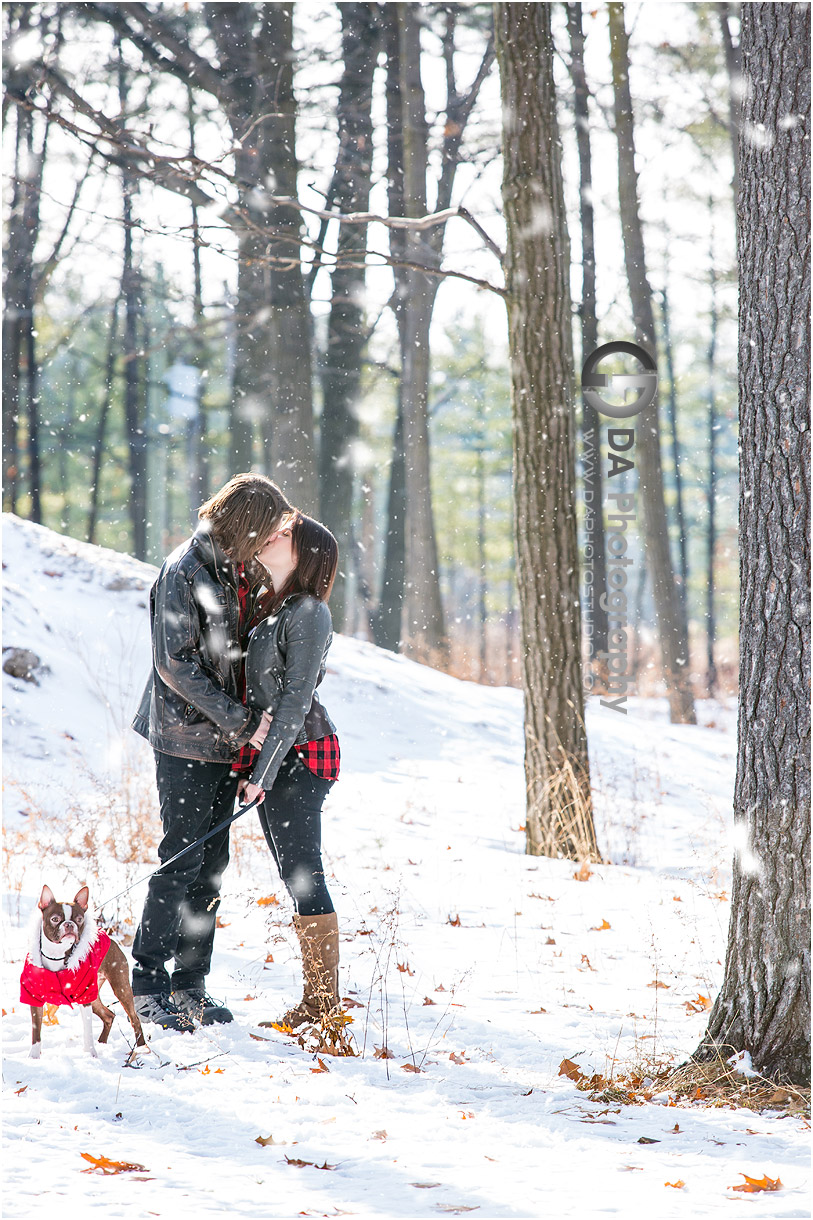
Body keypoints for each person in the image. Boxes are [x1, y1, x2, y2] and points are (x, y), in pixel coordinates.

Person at [130, 473, 291, 1031]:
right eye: (268, 531)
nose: (274, 541)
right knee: (180, 861)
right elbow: (174, 665)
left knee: (213, 867)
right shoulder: (184, 571)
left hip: (227, 742)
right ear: (244, 527)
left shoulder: (237, 569)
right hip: (185, 740)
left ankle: (190, 985)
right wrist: (242, 721)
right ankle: (146, 984)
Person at [232, 512, 343, 1033]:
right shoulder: (272, 606)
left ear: (304, 554)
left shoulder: (308, 611)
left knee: (304, 875)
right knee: (292, 874)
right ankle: (318, 1003)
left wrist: (265, 770)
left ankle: (324, 1009)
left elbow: (295, 702)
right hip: (280, 755)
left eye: (284, 534)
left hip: (301, 755)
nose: (270, 536)